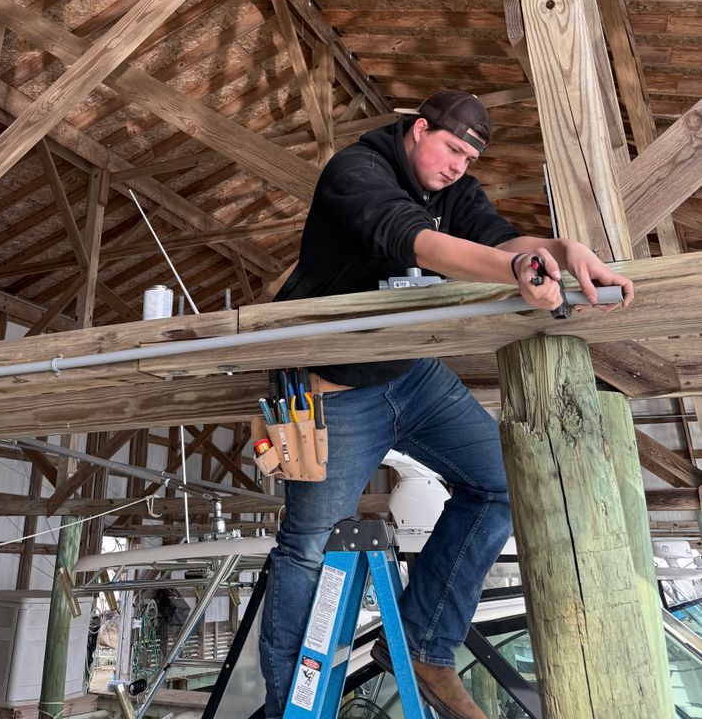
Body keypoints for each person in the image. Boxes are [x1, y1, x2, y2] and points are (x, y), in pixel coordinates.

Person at [258, 89, 634, 719]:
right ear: (418, 128)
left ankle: (423, 643)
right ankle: (287, 708)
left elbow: (499, 237)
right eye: (452, 148)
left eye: (469, 157)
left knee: (499, 483)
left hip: (411, 374)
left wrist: (564, 251)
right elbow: (416, 243)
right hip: (333, 389)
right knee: (307, 547)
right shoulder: (357, 170)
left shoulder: (454, 188)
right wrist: (515, 268)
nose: (459, 165)